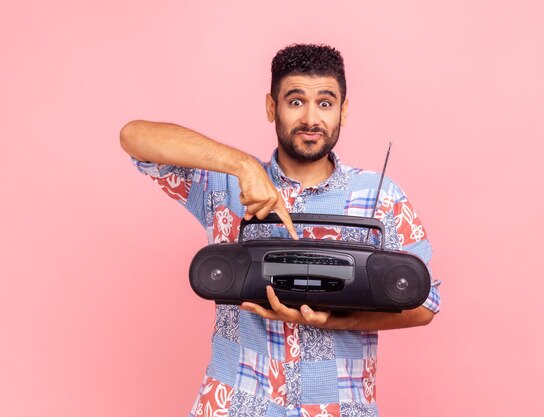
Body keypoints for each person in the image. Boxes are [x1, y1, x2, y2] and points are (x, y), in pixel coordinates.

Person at [120, 43, 441, 417]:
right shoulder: (225, 186)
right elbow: (134, 137)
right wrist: (242, 165)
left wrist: (338, 319)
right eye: (295, 101)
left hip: (337, 406)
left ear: (343, 110)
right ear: (272, 107)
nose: (310, 118)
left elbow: (425, 303)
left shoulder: (381, 196)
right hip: (237, 403)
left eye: (324, 103)